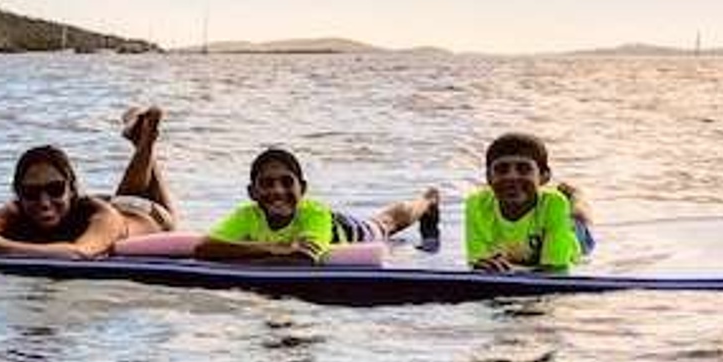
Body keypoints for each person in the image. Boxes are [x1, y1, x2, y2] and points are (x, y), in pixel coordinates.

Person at [0, 106, 177, 259]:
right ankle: (141, 138)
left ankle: (146, 139)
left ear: (72, 189)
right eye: (31, 193)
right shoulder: (15, 210)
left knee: (135, 201)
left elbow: (80, 253)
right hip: (118, 202)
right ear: (18, 194)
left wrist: (0, 247)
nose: (44, 202)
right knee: (125, 196)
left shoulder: (103, 215)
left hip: (148, 215)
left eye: (55, 189)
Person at [196, 146, 440, 264]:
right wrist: (274, 248)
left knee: (387, 222)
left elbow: (303, 259)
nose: (277, 191)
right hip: (280, 244)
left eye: (286, 182)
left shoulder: (313, 213)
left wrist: (252, 252)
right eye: (267, 184)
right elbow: (204, 249)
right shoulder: (246, 215)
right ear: (252, 192)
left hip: (350, 231)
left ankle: (428, 201)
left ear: (302, 188)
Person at [465, 132, 595, 273]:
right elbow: (478, 264)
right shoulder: (476, 205)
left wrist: (512, 272)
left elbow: (556, 270)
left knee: (578, 217)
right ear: (488, 177)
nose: (512, 177)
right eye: (502, 169)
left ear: (544, 177)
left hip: (574, 239)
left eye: (523, 168)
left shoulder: (555, 204)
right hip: (530, 260)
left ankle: (574, 194)